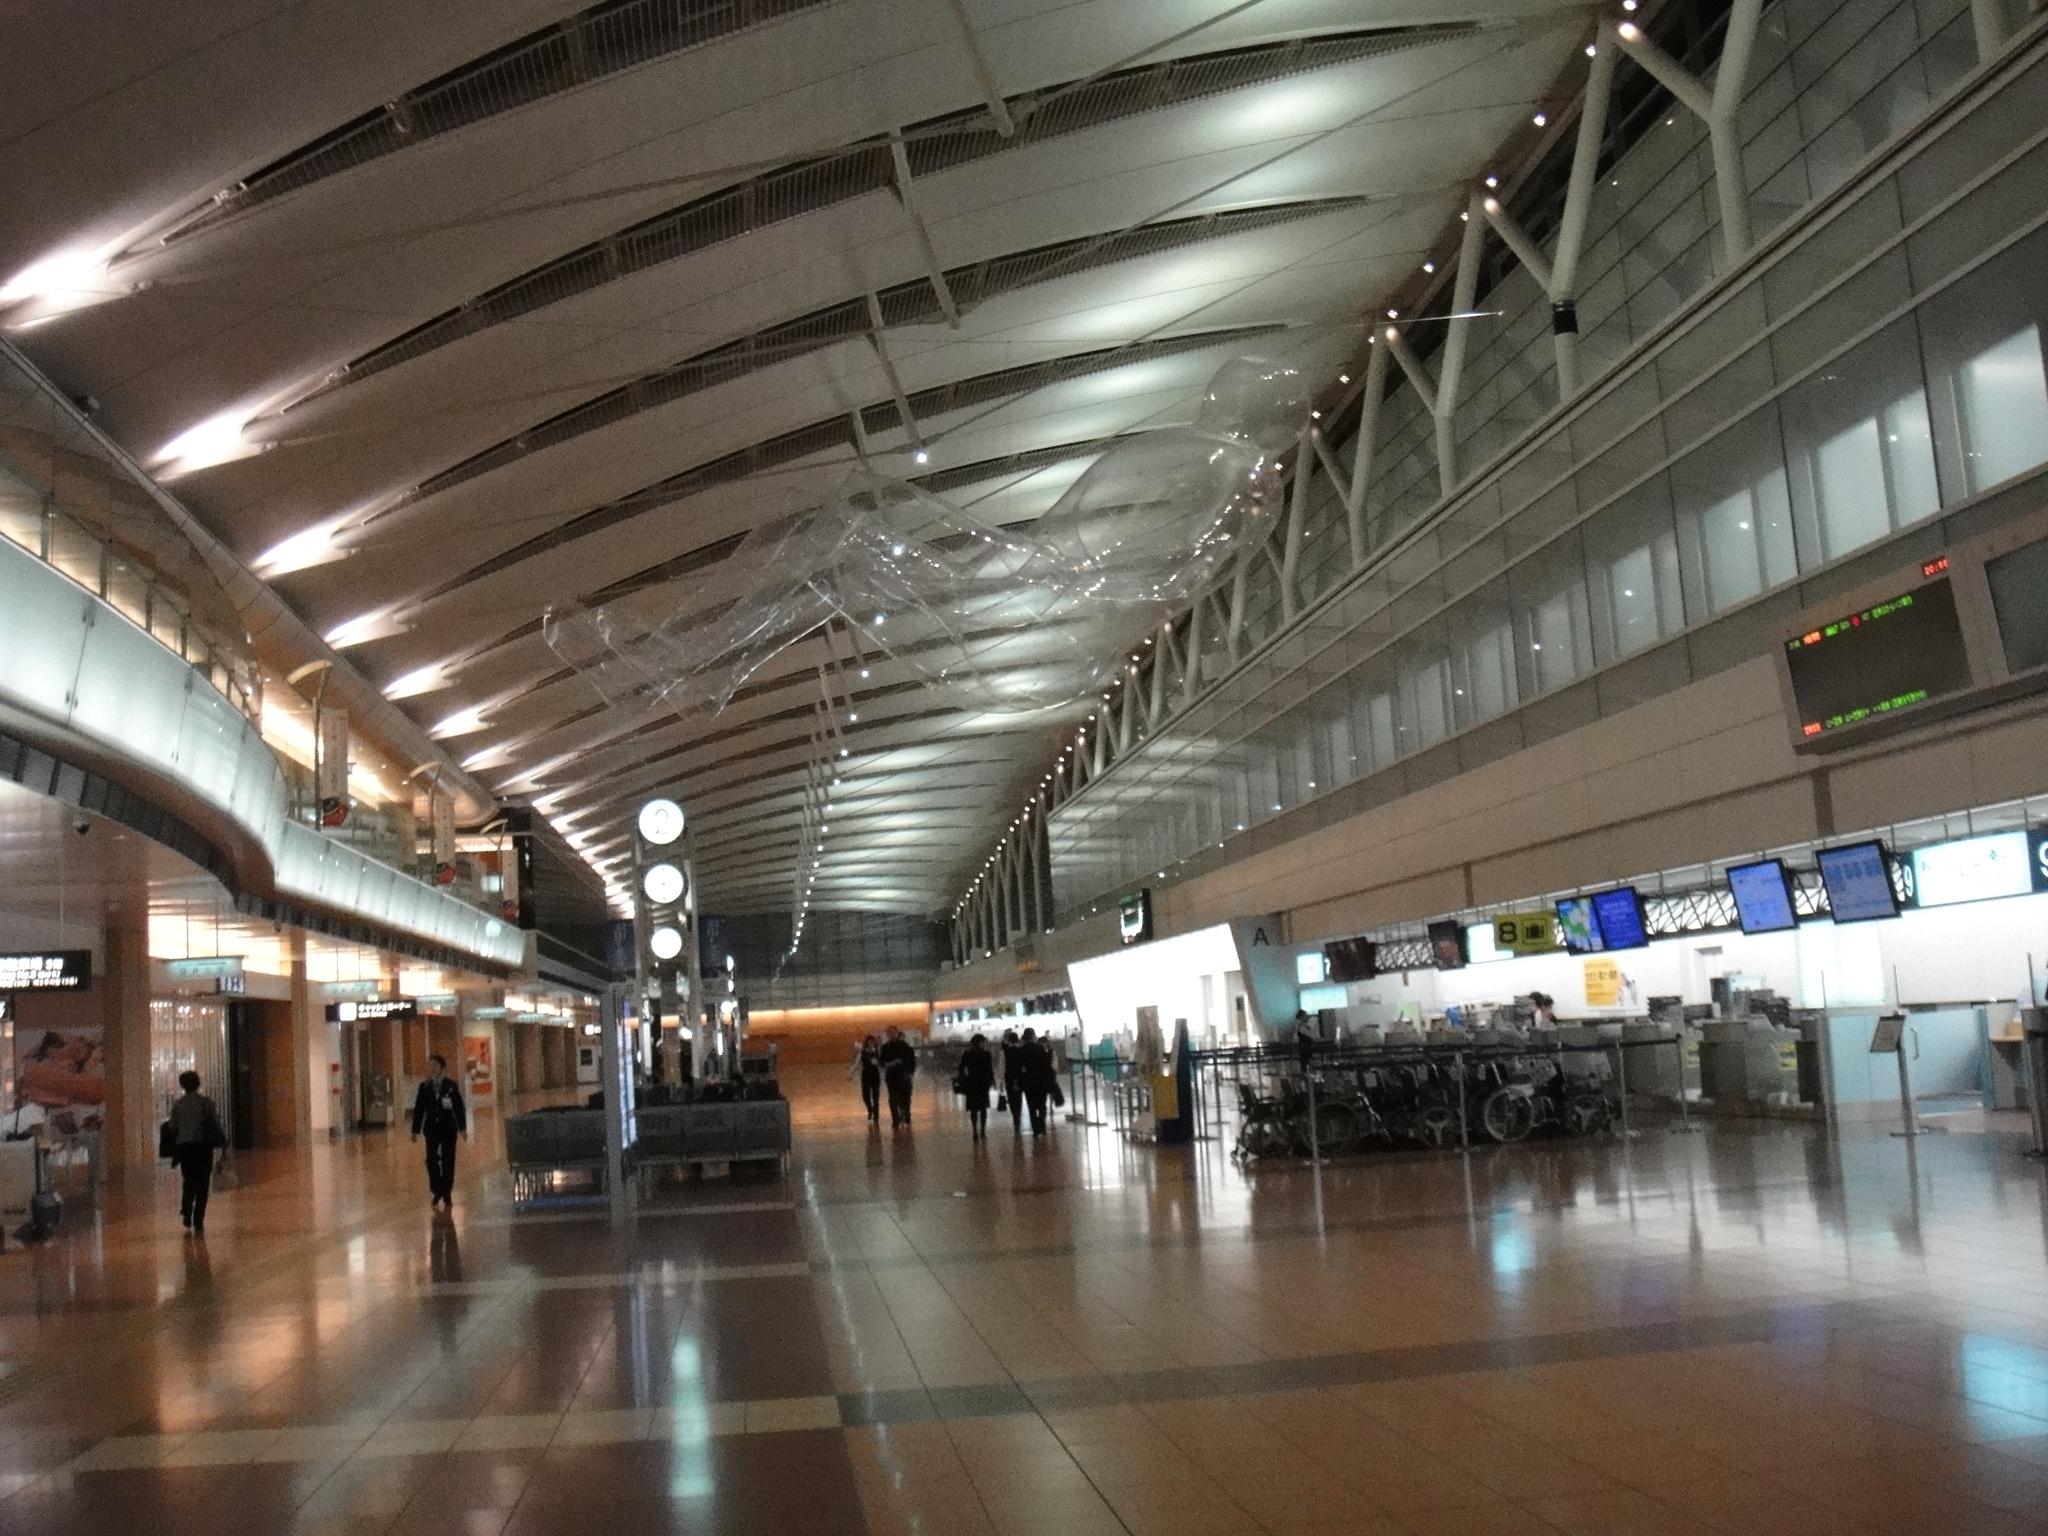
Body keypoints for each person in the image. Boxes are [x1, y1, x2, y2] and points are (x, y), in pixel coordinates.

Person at [166, 1070, 226, 1236]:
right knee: (203, 1183)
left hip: (185, 1148)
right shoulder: (206, 1103)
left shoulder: (178, 1104)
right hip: (203, 1146)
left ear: (182, 1085)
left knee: (189, 1180)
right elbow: (214, 1123)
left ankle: (186, 1210)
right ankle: (198, 1218)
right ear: (198, 1083)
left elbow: (172, 1127)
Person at [410, 1054, 468, 1211]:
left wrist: (462, 1128)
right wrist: (415, 1130)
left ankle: (447, 1192)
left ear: (442, 1068)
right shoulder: (424, 1087)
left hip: (448, 1129)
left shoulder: (451, 1086)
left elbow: (458, 1107)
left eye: (434, 1066)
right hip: (431, 1129)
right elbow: (419, 1109)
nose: (431, 1069)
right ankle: (437, 1189)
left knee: (448, 1160)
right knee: (431, 1160)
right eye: (429, 1066)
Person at [1017, 1027, 1058, 1137]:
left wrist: (1020, 1082)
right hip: (1041, 1081)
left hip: (1028, 1082)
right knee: (1042, 1105)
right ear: (1033, 1036)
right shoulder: (1040, 1049)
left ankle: (1035, 1129)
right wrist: (1051, 1080)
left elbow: (1019, 1068)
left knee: (1031, 1106)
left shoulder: (1021, 1051)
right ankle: (1042, 1126)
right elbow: (1047, 1065)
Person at [958, 1033, 996, 1141]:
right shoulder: (986, 1054)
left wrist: (964, 1078)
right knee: (983, 1108)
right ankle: (983, 1131)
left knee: (973, 1109)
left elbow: (961, 1068)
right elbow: (989, 1069)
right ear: (981, 1042)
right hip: (983, 1083)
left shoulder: (967, 1054)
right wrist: (992, 1081)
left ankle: (974, 1130)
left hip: (971, 1082)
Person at [877, 1028, 918, 1128]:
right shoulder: (885, 1047)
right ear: (887, 1035)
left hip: (903, 1076)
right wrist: (888, 1064)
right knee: (893, 1099)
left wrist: (907, 1069)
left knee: (905, 1097)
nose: (891, 1035)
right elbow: (882, 1062)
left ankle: (906, 1114)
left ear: (896, 1033)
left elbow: (911, 1061)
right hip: (892, 1077)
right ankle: (895, 1119)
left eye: (893, 1033)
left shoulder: (905, 1047)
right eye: (889, 1033)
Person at [999, 1028, 1025, 1134]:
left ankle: (1015, 1118)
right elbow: (1024, 1066)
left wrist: (1001, 1081)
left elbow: (1002, 1067)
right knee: (1019, 1098)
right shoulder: (1021, 1051)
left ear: (1009, 1040)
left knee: (1011, 1098)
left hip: (1009, 1078)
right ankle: (1018, 1117)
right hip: (1020, 1078)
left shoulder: (1004, 1053)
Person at [852, 1034, 883, 1123]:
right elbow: (857, 1062)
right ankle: (870, 1109)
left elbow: (882, 1061)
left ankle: (876, 1116)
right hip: (865, 1075)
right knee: (865, 1096)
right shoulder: (863, 1052)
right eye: (869, 1041)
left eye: (872, 1041)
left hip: (875, 1075)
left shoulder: (877, 1051)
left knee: (875, 1096)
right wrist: (852, 1072)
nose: (871, 1043)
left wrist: (878, 1063)